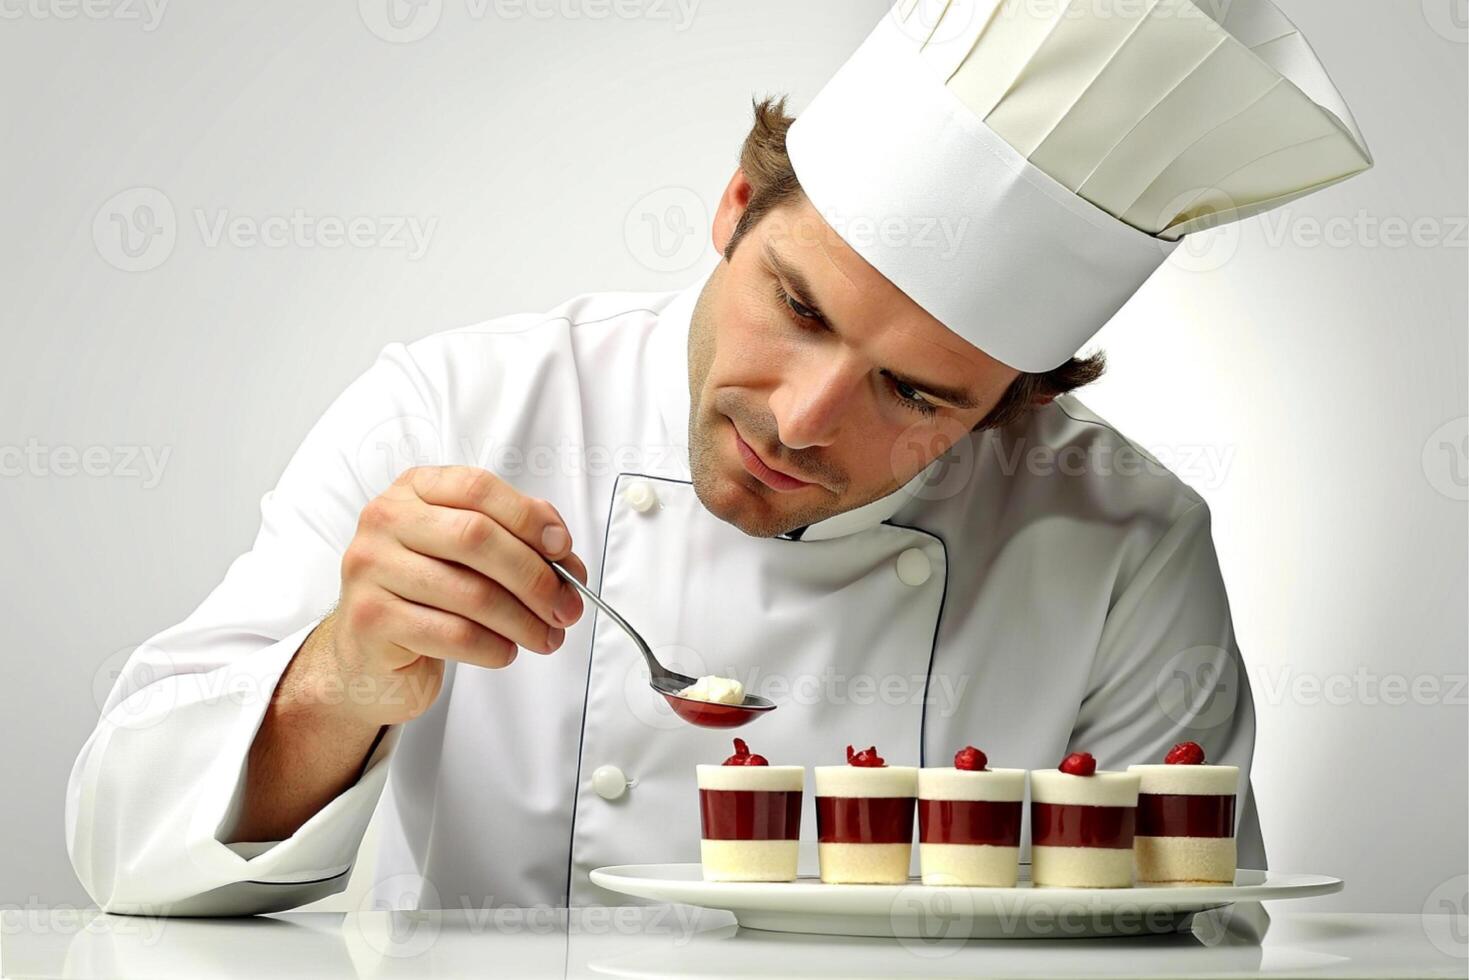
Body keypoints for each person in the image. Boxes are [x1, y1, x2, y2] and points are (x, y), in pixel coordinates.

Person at [68, 0, 1372, 914]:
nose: (804, 419)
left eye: (916, 391)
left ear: (1014, 408)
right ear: (735, 206)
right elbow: (123, 856)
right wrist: (341, 683)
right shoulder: (455, 409)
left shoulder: (1122, 549)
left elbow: (1178, 944)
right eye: (798, 309)